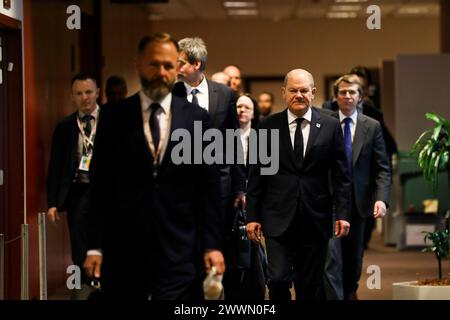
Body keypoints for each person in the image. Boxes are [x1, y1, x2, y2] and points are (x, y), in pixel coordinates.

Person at [83, 32, 225, 300]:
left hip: (180, 248)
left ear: (178, 69)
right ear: (138, 64)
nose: (161, 72)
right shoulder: (114, 118)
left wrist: (212, 245)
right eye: (154, 64)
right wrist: (94, 247)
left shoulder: (198, 119)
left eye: (169, 66)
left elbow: (209, 188)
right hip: (124, 248)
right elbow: (100, 186)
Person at [246, 68, 351, 300]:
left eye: (304, 90)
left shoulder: (331, 126)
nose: (299, 95)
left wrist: (343, 213)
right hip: (277, 216)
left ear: (313, 93)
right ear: (284, 93)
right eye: (293, 90)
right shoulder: (267, 127)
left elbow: (341, 175)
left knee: (310, 284)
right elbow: (256, 177)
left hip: (315, 217)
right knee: (278, 279)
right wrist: (252, 216)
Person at [172, 37, 247, 300]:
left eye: (179, 62)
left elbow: (233, 141)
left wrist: (239, 187)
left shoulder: (224, 94)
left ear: (196, 64)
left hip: (220, 184)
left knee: (219, 246)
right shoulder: (172, 94)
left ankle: (218, 295)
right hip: (181, 185)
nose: (175, 67)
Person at [323, 74, 391, 300]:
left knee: (353, 258)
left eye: (352, 92)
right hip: (329, 201)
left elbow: (382, 167)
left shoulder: (371, 126)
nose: (347, 96)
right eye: (342, 92)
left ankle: (350, 291)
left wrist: (381, 198)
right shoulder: (326, 122)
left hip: (359, 203)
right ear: (335, 96)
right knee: (332, 256)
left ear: (360, 97)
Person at [46, 73, 100, 299]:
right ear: (72, 97)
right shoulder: (66, 126)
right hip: (77, 193)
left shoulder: (114, 121)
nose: (84, 98)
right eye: (79, 93)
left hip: (104, 193)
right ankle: (83, 291)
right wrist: (52, 203)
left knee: (105, 241)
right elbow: (55, 166)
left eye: (88, 92)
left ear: (97, 93)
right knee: (79, 245)